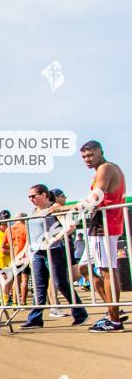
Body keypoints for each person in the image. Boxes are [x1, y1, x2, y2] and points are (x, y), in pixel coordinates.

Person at [52, 141, 126, 332]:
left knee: (107, 270)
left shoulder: (106, 168)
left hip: (104, 225)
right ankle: (113, 309)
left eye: (90, 155)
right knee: (85, 268)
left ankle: (115, 319)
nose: (87, 159)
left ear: (101, 152)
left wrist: (63, 208)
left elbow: (95, 198)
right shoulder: (102, 170)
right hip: (99, 225)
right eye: (84, 156)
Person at [20, 185, 88, 329]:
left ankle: (80, 313)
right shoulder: (34, 211)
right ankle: (35, 319)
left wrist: (54, 239)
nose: (31, 199)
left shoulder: (54, 207)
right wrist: (26, 251)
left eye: (33, 196)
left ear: (44, 195)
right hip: (37, 252)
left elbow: (69, 227)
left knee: (61, 283)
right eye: (29, 197)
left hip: (55, 251)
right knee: (39, 286)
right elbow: (30, 234)